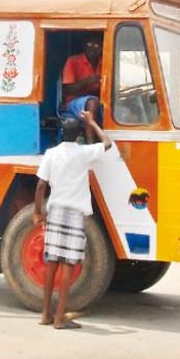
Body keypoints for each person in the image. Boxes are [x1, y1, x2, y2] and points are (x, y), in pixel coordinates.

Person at [33, 109, 112, 330]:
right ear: (78, 135)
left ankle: (45, 314)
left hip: (56, 211)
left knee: (52, 262)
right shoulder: (84, 153)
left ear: (61, 133)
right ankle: (60, 318)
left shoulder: (51, 154)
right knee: (68, 264)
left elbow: (41, 185)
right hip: (75, 215)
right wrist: (92, 122)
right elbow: (107, 143)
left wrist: (37, 212)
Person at [61, 36, 102, 142]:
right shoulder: (73, 61)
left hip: (100, 99)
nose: (92, 48)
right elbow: (67, 89)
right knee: (91, 102)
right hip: (74, 101)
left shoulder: (105, 62)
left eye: (96, 45)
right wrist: (87, 82)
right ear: (84, 46)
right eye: (89, 45)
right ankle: (91, 144)